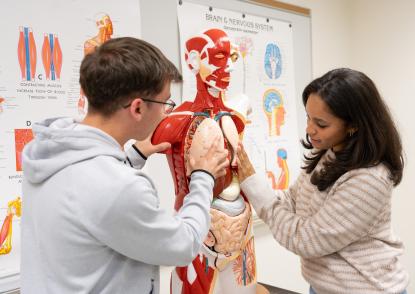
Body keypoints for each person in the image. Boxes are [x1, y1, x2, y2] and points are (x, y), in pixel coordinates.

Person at [20, 37, 229, 294]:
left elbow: (90, 197)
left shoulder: (47, 154)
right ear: (138, 108)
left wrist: (133, 156)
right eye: (166, 103)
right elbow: (182, 245)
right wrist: (203, 177)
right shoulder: (120, 188)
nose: (167, 113)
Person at [237, 68, 409, 294]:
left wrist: (250, 181)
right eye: (308, 117)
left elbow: (305, 240)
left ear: (354, 125)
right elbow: (291, 201)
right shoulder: (329, 154)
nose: (309, 130)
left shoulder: (369, 179)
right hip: (322, 286)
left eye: (321, 124)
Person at [151, 29, 263, 294]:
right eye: (218, 57)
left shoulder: (237, 111)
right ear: (193, 61)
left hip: (241, 230)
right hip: (198, 233)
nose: (229, 66)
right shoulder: (177, 119)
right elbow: (152, 139)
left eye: (232, 57)